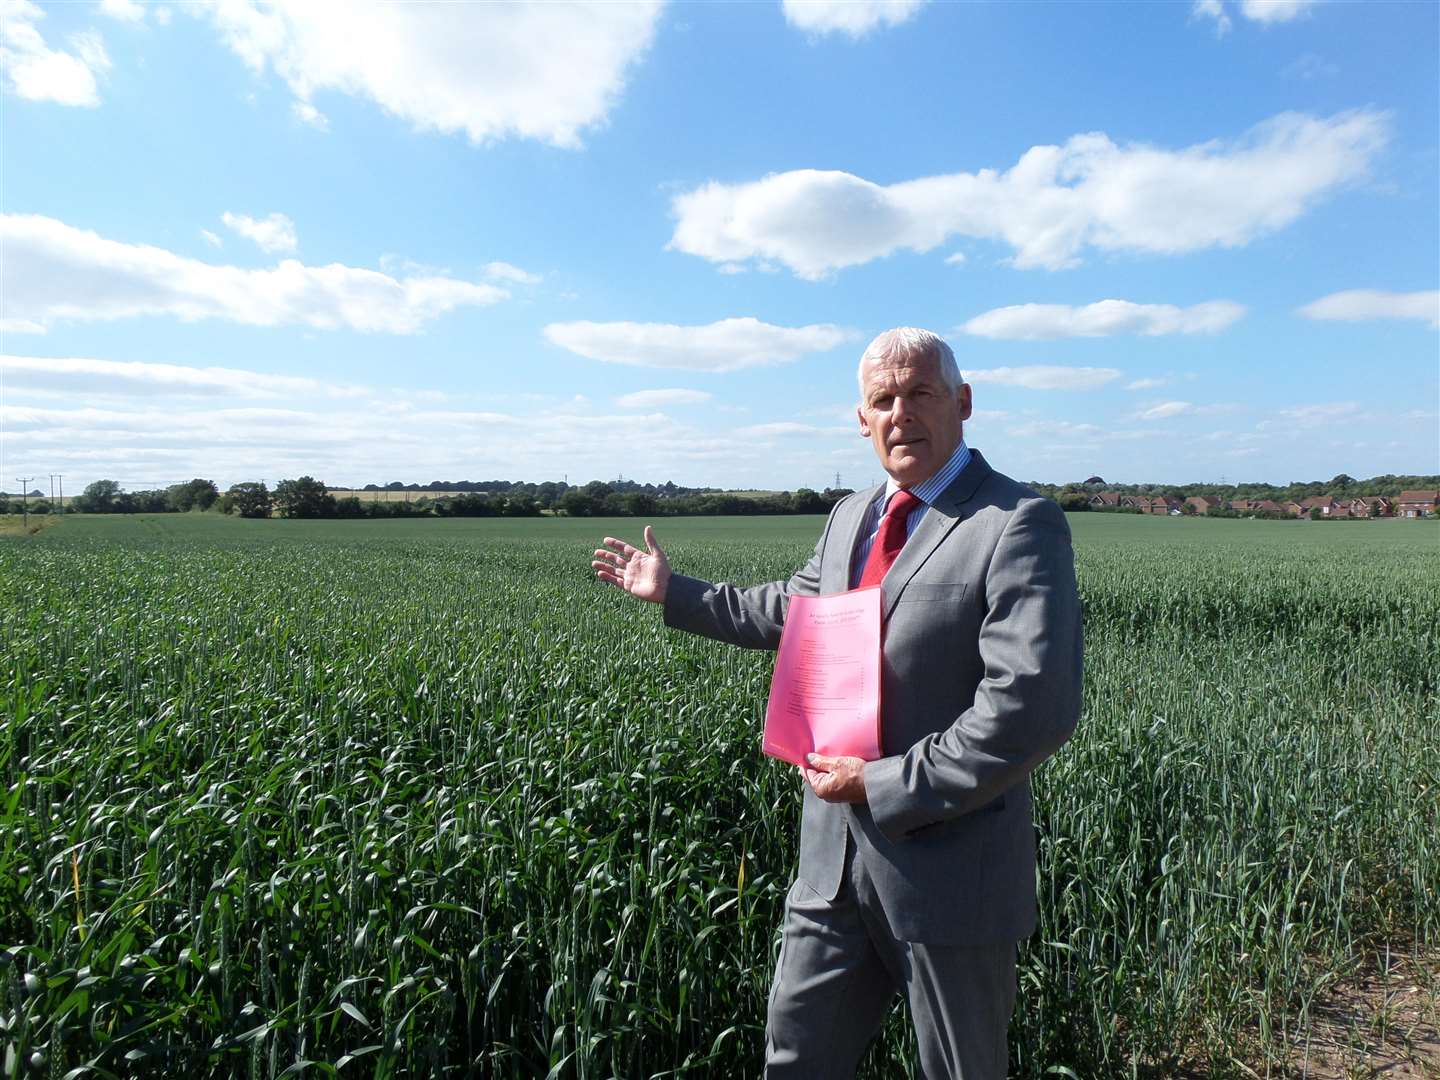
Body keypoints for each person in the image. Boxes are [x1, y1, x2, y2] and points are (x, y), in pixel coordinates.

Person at [592, 327, 1082, 1079]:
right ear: (861, 418)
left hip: (949, 876)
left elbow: (1030, 707)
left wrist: (879, 783)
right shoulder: (851, 515)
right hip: (829, 866)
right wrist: (676, 592)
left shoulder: (1014, 522)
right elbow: (797, 610)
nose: (900, 414)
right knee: (795, 1061)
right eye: (882, 400)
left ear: (963, 402)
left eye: (919, 393)